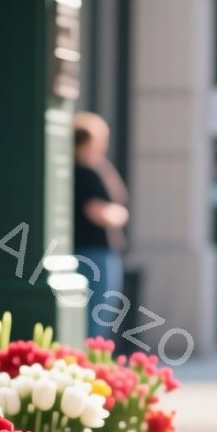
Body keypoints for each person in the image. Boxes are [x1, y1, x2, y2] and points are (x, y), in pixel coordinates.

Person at [73, 112, 130, 342]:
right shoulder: (83, 173)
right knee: (97, 313)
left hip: (98, 251)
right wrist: (118, 215)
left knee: (101, 312)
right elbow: (97, 211)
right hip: (91, 252)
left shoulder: (93, 168)